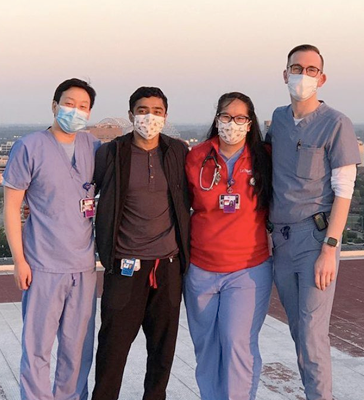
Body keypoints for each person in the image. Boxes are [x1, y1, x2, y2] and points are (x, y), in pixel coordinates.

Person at [266, 44, 361, 400]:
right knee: (299, 333)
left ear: (321, 78)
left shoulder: (337, 123)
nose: (302, 75)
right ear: (284, 73)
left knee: (311, 334)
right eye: (296, 67)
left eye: (310, 69)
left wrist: (330, 248)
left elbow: (344, 190)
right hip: (281, 241)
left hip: (316, 240)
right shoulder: (276, 119)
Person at [3, 78, 100, 400]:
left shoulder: (93, 147)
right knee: (37, 349)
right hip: (42, 264)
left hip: (83, 266)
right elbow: (13, 207)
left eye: (83, 106)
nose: (75, 111)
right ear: (55, 105)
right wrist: (19, 261)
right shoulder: (30, 146)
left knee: (78, 350)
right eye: (69, 103)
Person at [91, 86, 190, 400]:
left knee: (162, 353)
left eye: (157, 111)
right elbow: (79, 189)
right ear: (131, 114)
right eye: (143, 110)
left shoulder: (176, 151)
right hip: (125, 266)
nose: (150, 117)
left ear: (166, 116)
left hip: (168, 266)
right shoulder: (113, 153)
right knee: (112, 350)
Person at [184, 92, 273, 400]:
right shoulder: (196, 156)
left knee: (237, 344)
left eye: (240, 118)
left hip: (247, 270)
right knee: (206, 346)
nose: (231, 124)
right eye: (225, 116)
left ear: (250, 124)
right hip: (201, 270)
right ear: (216, 118)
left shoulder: (264, 158)